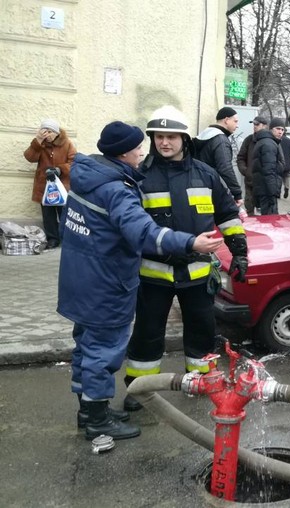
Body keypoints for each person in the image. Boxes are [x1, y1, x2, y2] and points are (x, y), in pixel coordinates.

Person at [58, 121, 224, 440]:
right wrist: (191, 244)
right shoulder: (116, 188)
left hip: (79, 279)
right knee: (101, 352)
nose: (141, 152)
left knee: (86, 347)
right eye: (138, 147)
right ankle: (97, 421)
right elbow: (145, 233)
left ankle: (89, 410)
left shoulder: (87, 177)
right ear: (123, 152)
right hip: (105, 284)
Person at [124, 106, 249, 412]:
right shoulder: (140, 178)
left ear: (184, 138)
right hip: (154, 275)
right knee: (147, 333)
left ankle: (202, 381)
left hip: (197, 273)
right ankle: (141, 389)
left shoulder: (206, 175)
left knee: (202, 330)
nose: (164, 142)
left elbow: (229, 217)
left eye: (171, 136)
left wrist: (240, 254)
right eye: (158, 137)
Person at [23, 119, 76, 249]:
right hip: (44, 185)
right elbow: (30, 158)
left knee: (64, 213)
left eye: (49, 132)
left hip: (62, 185)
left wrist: (60, 169)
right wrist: (38, 142)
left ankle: (67, 238)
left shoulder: (67, 144)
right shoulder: (40, 144)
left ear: (56, 132)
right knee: (48, 214)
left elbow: (74, 162)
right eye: (44, 131)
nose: (47, 135)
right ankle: (52, 239)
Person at [194, 107, 243, 205]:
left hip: (198, 186)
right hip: (214, 189)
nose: (237, 126)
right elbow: (225, 168)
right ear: (226, 120)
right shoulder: (220, 140)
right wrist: (237, 193)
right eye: (235, 121)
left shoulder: (204, 135)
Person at [251, 120, 285, 215]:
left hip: (263, 188)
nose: (280, 132)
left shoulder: (267, 142)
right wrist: (273, 192)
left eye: (282, 129)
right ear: (270, 130)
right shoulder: (269, 144)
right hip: (267, 190)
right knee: (270, 221)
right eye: (277, 129)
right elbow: (269, 170)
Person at [236, 116, 268, 216]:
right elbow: (240, 157)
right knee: (249, 209)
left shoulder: (270, 140)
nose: (254, 126)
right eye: (253, 124)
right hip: (250, 181)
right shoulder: (249, 140)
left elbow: (280, 161)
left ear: (264, 126)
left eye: (257, 124)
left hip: (265, 183)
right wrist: (246, 171)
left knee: (265, 212)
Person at [271, 118, 290, 198]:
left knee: (278, 178)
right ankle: (287, 188)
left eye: (281, 129)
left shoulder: (274, 140)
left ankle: (278, 193)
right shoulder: (288, 141)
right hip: (286, 164)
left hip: (277, 163)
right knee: (286, 177)